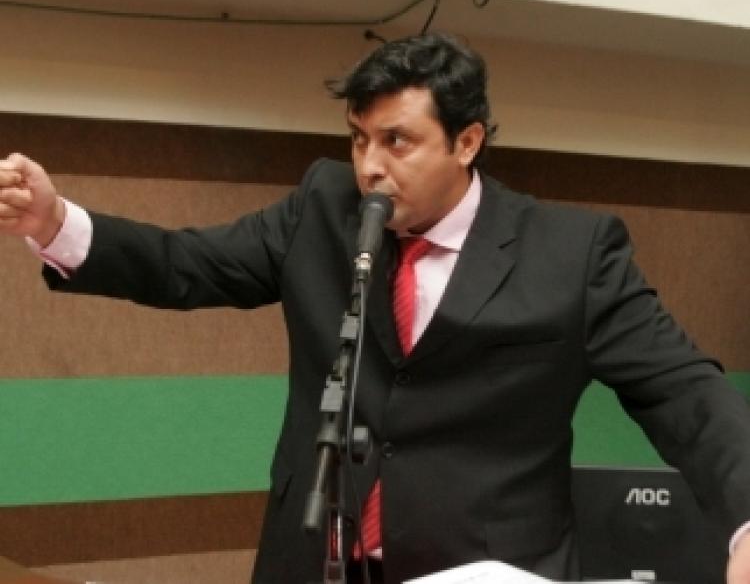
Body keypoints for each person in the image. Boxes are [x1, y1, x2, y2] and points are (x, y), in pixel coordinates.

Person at [1, 33, 750, 584]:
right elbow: (186, 264)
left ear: (467, 141)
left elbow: (681, 387)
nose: (369, 167)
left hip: (483, 568)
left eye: (397, 141)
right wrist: (56, 222)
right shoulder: (323, 206)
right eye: (359, 139)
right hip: (316, 557)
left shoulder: (571, 252)